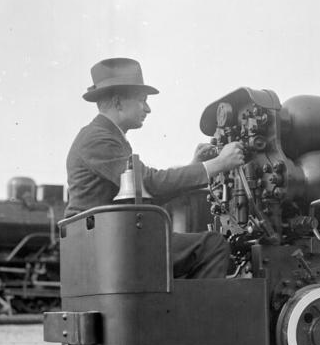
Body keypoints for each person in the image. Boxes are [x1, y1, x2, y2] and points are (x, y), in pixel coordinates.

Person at [65, 57, 244, 278]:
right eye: (142, 100)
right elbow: (149, 182)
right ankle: (197, 313)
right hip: (110, 247)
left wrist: (194, 167)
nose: (148, 109)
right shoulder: (98, 139)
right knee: (213, 245)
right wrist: (219, 164)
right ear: (119, 102)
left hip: (105, 242)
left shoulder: (105, 136)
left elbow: (142, 195)